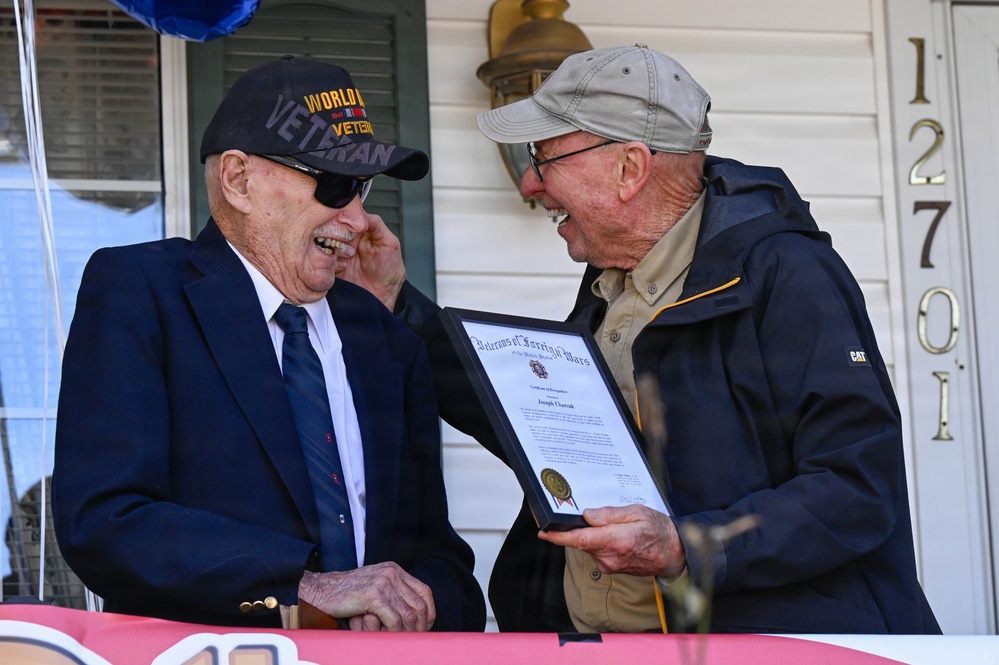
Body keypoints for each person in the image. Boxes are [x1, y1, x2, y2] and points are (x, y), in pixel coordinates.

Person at [339, 44, 941, 634]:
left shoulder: (787, 275)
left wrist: (687, 547)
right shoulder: (612, 280)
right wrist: (397, 303)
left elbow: (857, 487)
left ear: (629, 168)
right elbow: (541, 423)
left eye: (543, 157)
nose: (530, 183)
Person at [51, 56, 485, 631]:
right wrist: (305, 589)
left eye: (362, 187)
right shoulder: (142, 292)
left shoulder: (386, 338)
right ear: (238, 180)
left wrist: (417, 607)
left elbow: (440, 560)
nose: (358, 219)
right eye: (335, 185)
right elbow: (106, 522)